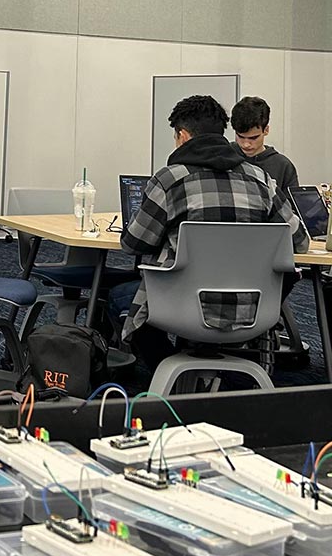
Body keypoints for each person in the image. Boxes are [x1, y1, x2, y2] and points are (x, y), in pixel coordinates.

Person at [109, 95, 308, 368]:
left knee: (116, 297)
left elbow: (133, 243)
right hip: (254, 307)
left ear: (182, 135)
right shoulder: (262, 181)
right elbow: (300, 242)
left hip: (181, 307)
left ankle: (170, 370)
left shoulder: (169, 179)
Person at [230, 96, 300, 194]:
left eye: (253, 138)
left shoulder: (283, 166)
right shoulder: (223, 156)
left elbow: (290, 208)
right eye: (240, 137)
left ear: (266, 130)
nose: (246, 144)